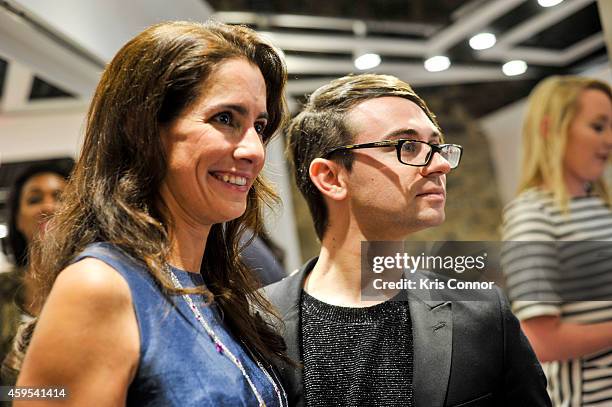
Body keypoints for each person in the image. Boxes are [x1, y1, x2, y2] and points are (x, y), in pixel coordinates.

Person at [15, 21, 289, 406]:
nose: (254, 151)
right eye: (225, 118)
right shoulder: (100, 287)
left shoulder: (216, 289)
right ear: (142, 130)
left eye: (258, 126)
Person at [263, 73, 551, 406]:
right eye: (407, 145)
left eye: (437, 145)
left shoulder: (483, 314)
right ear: (331, 177)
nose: (441, 164)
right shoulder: (254, 323)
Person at [502, 76, 612, 406]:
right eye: (597, 126)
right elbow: (540, 340)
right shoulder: (533, 214)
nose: (609, 139)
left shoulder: (600, 205)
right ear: (551, 129)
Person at [0, 162, 71, 386]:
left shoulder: (103, 284)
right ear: (18, 220)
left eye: (59, 197)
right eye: (34, 199)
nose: (47, 207)